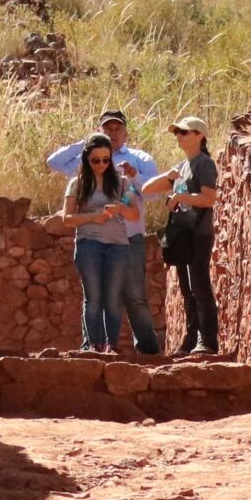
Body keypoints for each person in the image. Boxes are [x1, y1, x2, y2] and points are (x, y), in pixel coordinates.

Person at [45, 134, 143, 354]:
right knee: (93, 296)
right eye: (95, 160)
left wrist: (119, 209)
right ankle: (93, 344)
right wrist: (92, 217)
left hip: (118, 244)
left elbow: (134, 215)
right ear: (87, 159)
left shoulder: (122, 183)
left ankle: (112, 344)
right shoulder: (77, 184)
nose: (101, 165)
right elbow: (66, 219)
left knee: (113, 297)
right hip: (89, 243)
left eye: (106, 160)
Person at [141, 116, 220, 356]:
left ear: (200, 136)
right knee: (187, 289)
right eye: (177, 133)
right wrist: (170, 175)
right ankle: (191, 339)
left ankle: (208, 340)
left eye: (184, 132)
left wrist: (180, 198)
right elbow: (147, 190)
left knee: (200, 286)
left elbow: (208, 198)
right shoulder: (183, 167)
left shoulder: (204, 164)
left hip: (199, 233)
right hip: (183, 235)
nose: (179, 136)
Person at [97, 108, 163, 356]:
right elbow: (56, 163)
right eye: (107, 128)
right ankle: (101, 348)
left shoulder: (140, 158)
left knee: (135, 295)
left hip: (130, 236)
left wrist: (134, 177)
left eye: (117, 129)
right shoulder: (91, 157)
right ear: (99, 131)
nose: (113, 133)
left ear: (126, 133)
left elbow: (155, 193)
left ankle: (148, 351)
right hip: (99, 236)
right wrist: (86, 144)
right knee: (100, 296)